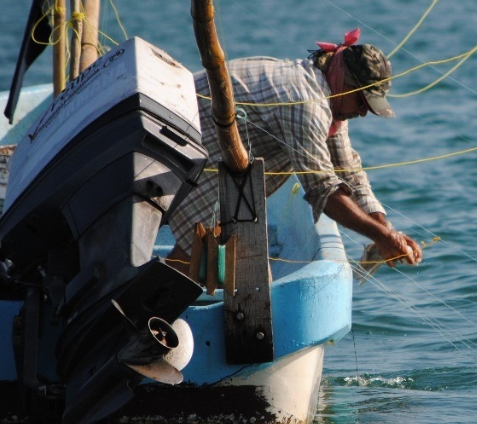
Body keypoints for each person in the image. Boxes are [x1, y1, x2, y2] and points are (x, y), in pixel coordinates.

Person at [167, 29, 422, 270]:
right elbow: (322, 189)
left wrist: (385, 230)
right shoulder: (307, 104)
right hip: (184, 132)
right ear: (344, 82)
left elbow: (349, 171)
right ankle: (146, 307)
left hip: (210, 138)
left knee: (212, 230)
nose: (364, 112)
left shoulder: (330, 100)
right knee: (202, 238)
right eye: (362, 101)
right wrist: (381, 235)